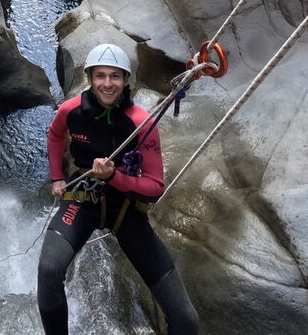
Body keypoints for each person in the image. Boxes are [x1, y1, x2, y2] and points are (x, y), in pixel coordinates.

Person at [37, 44, 199, 335]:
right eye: (100, 76)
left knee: (186, 319)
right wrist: (57, 178)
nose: (107, 84)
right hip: (82, 199)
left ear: (126, 80)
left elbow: (154, 187)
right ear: (89, 78)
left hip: (124, 207)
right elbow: (55, 135)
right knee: (49, 271)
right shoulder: (71, 110)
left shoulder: (141, 123)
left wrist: (114, 177)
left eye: (115, 76)